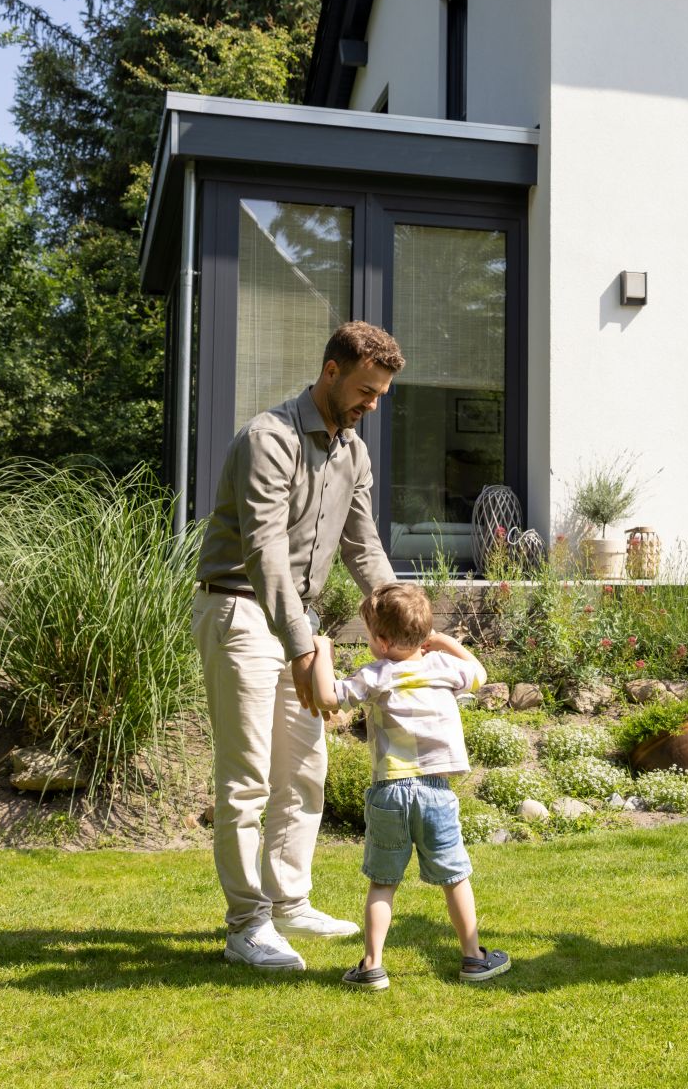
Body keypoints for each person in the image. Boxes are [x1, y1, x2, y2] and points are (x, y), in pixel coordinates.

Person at [192, 321, 404, 971]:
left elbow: (362, 545)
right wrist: (304, 649)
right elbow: (266, 556)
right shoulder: (269, 439)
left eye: (381, 395)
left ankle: (288, 901)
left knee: (305, 771)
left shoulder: (353, 453)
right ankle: (246, 926)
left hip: (296, 620)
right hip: (239, 609)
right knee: (247, 780)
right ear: (332, 371)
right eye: (366, 391)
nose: (372, 405)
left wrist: (400, 617)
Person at [292, 583, 511, 991]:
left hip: (390, 790)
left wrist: (323, 648)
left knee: (383, 882)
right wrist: (444, 641)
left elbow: (327, 696)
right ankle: (473, 957)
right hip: (436, 792)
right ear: (422, 634)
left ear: (381, 640)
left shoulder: (376, 675)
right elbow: (479, 674)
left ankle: (372, 965)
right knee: (455, 877)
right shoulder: (443, 668)